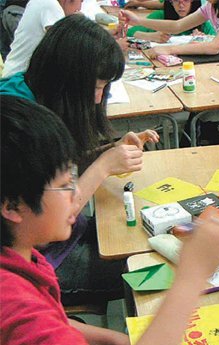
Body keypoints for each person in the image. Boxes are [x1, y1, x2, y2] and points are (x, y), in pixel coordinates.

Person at [1, 96, 219, 345]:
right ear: (12, 206)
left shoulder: (22, 257)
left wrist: (114, 341)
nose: (75, 195)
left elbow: (50, 323)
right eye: (63, 185)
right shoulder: (11, 299)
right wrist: (191, 276)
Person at [0, 14, 160, 307]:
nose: (98, 100)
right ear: (67, 77)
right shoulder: (18, 122)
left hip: (61, 238)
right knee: (151, 269)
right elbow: (44, 224)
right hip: (39, 264)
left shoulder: (37, 92)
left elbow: (58, 174)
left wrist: (109, 151)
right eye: (96, 86)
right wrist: (103, 166)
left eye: (104, 88)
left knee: (147, 238)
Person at [120, 0, 219, 76]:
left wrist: (168, 49)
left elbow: (214, 47)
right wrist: (138, 21)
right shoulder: (211, 7)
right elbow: (178, 26)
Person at [2, 0, 82, 78]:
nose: (80, 7)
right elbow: (68, 49)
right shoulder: (50, 5)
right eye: (81, 1)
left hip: (14, 77)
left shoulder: (39, 2)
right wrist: (78, 23)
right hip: (19, 82)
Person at [126, 0, 216, 42]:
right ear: (170, 2)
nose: (181, 5)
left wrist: (204, 39)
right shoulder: (159, 16)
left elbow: (216, 41)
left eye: (186, 0)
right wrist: (149, 36)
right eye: (176, 0)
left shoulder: (202, 22)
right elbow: (129, 32)